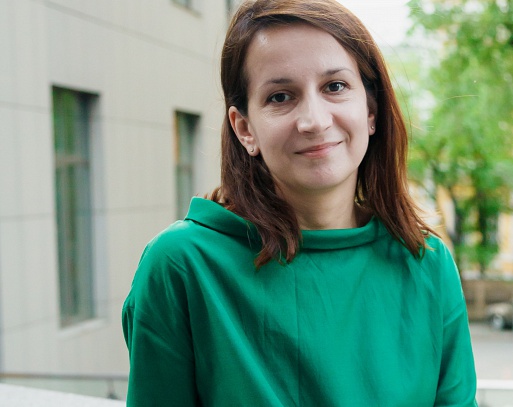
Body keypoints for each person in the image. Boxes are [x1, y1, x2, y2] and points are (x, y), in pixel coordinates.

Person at [122, 0, 478, 405]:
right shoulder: (181, 266)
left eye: (335, 87)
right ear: (245, 129)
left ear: (371, 110)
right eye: (280, 96)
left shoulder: (427, 264)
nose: (315, 121)